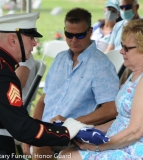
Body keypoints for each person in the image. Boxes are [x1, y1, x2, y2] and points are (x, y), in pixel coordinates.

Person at [0, 12, 93, 159]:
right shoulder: (0, 73)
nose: (34, 43)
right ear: (13, 40)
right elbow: (22, 128)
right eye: (30, 37)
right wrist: (66, 131)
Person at [58, 19, 143, 160]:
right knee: (66, 153)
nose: (121, 51)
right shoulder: (137, 73)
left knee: (67, 156)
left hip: (141, 149)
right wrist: (90, 130)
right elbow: (123, 119)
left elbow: (136, 131)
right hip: (122, 141)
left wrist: (97, 147)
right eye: (122, 45)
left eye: (127, 48)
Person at [30, 7, 119, 160]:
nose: (74, 40)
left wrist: (72, 123)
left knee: (39, 143)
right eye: (69, 34)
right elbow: (43, 100)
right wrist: (32, 129)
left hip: (73, 133)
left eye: (80, 35)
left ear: (90, 31)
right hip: (47, 129)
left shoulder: (100, 65)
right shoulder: (59, 59)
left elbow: (111, 109)